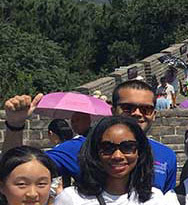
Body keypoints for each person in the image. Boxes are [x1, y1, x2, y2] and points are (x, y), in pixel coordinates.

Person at [3, 80, 178, 193]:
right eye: (127, 108)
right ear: (112, 110)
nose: (137, 114)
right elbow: (13, 169)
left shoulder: (166, 156)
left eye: (145, 109)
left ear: (154, 114)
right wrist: (15, 125)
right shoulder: (80, 147)